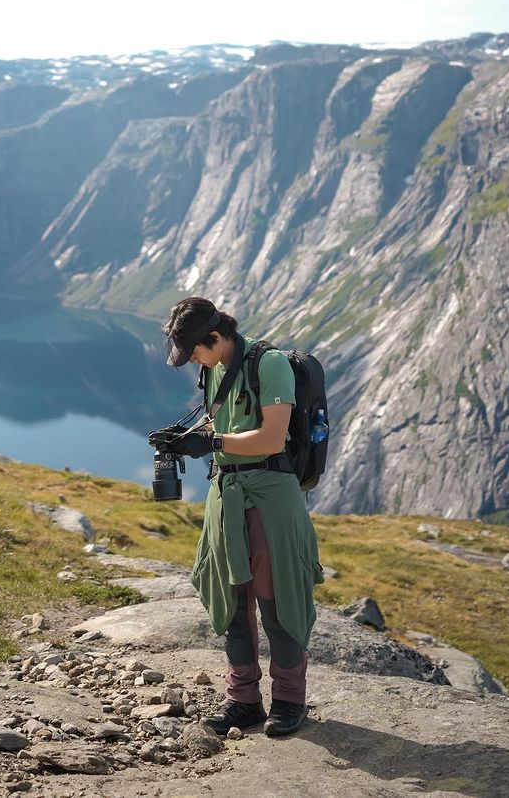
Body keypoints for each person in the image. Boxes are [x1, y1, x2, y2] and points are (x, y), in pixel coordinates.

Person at [149, 296, 323, 738]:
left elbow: (270, 437)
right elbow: (223, 425)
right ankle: (243, 701)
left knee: (276, 595)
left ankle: (289, 701)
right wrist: (185, 438)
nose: (193, 363)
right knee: (231, 601)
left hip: (269, 495)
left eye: (195, 353)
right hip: (226, 493)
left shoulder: (271, 365)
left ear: (216, 337)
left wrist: (213, 443)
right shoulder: (214, 368)